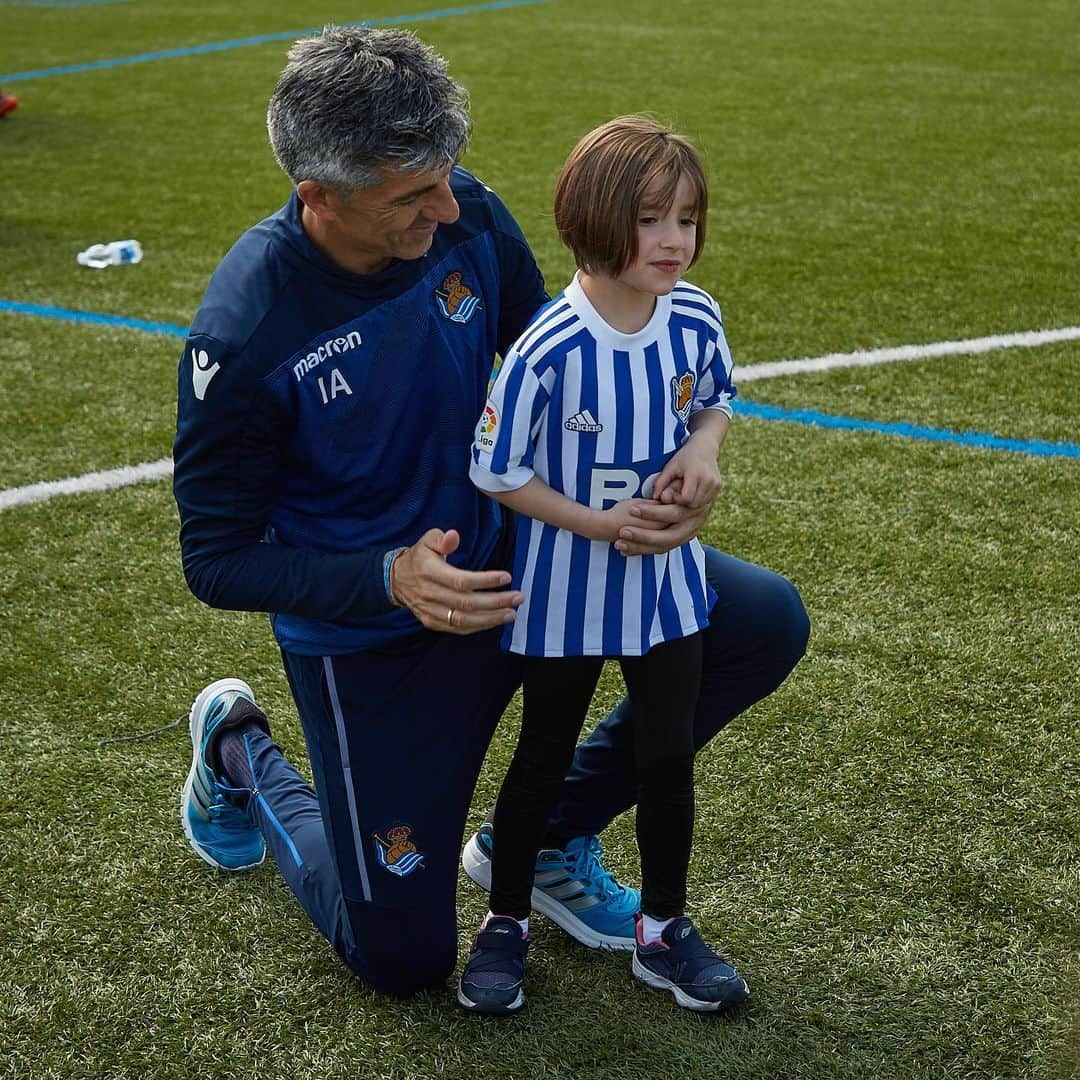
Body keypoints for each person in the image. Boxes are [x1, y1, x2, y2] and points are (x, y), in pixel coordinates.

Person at [173, 25, 810, 1001]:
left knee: (759, 621)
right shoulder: (247, 330)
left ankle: (547, 838)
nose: (448, 202)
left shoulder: (465, 213)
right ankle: (237, 751)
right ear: (320, 197)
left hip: (535, 567)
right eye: (411, 194)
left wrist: (684, 458)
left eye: (447, 174)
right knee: (404, 959)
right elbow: (216, 559)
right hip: (379, 638)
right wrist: (388, 575)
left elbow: (563, 362)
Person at [456, 116, 750, 1015]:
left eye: (688, 220)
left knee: (667, 757)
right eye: (653, 219)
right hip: (566, 592)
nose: (674, 242)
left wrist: (704, 449)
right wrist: (595, 520)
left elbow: (717, 399)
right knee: (542, 752)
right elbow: (496, 472)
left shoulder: (694, 314)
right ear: (593, 219)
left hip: (666, 586)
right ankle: (506, 920)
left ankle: (663, 930)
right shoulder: (551, 344)